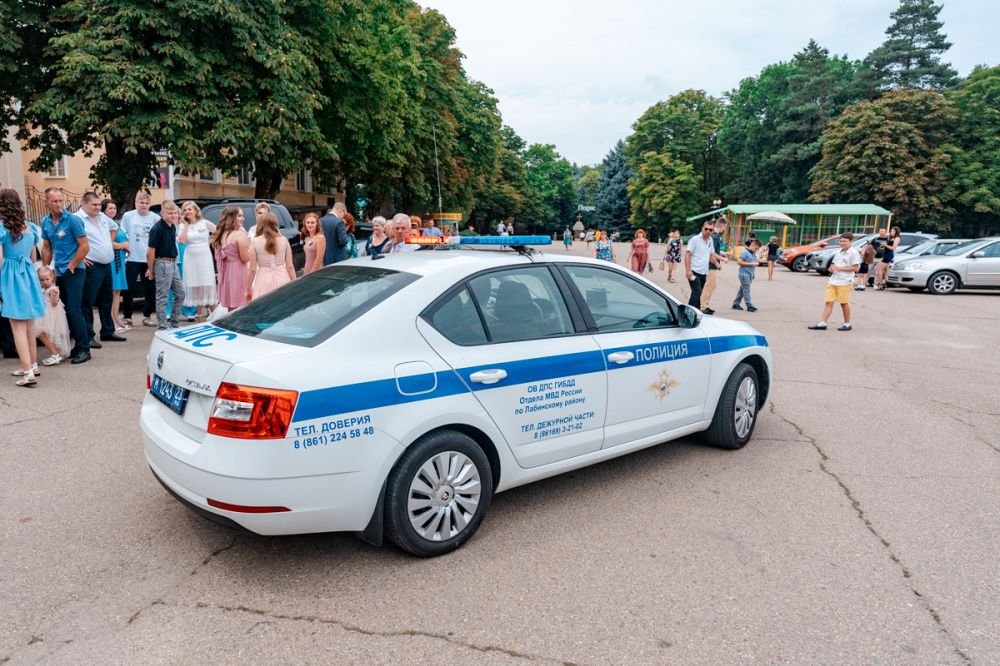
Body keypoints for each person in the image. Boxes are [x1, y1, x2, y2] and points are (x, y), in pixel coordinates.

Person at [0, 189, 47, 385]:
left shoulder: (2, 228)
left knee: (17, 326)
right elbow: (33, 257)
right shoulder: (31, 227)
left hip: (11, 276)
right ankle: (32, 365)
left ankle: (28, 372)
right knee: (28, 325)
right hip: (28, 274)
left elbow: (0, 260)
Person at [40, 187, 91, 364]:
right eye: (54, 201)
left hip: (75, 270)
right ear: (46, 202)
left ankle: (84, 349)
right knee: (64, 310)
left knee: (74, 309)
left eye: (61, 200)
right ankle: (76, 346)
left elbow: (84, 246)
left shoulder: (73, 220)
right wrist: (45, 268)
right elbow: (47, 247)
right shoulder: (45, 222)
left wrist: (73, 264)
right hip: (59, 271)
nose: (59, 204)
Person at [77, 192, 125, 346]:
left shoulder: (102, 217)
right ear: (84, 203)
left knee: (106, 299)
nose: (98, 207)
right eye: (94, 205)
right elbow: (70, 240)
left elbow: (115, 227)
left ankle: (107, 331)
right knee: (87, 301)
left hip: (106, 264)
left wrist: (107, 242)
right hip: (92, 265)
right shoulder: (77, 219)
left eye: (99, 204)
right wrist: (80, 257)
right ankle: (88, 336)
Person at [808, 233, 861, 332]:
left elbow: (856, 268)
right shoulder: (839, 252)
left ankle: (847, 324)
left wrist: (840, 268)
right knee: (828, 302)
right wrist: (831, 268)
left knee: (843, 303)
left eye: (845, 241)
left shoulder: (853, 253)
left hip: (845, 281)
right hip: (833, 280)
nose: (842, 243)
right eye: (841, 241)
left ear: (851, 242)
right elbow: (833, 264)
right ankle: (823, 323)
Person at [121, 192, 159, 327]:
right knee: (128, 287)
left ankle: (147, 316)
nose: (144, 205)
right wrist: (125, 245)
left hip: (148, 258)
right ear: (136, 203)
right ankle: (127, 316)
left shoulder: (155, 218)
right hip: (132, 257)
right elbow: (123, 234)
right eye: (141, 203)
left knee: (150, 288)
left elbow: (158, 239)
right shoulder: (128, 216)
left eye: (146, 203)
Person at [145, 200, 185, 330]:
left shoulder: (172, 226)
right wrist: (151, 269)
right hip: (162, 263)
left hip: (173, 263)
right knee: (162, 296)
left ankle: (174, 322)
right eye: (170, 213)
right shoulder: (157, 229)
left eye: (175, 213)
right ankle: (162, 326)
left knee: (181, 293)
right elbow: (150, 252)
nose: (174, 215)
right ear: (162, 213)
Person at [178, 201, 217, 319]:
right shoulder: (182, 226)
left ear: (196, 211)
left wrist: (210, 241)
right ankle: (199, 316)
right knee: (195, 285)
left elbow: (218, 231)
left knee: (207, 284)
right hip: (191, 258)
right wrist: (185, 225)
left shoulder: (204, 223)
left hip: (205, 257)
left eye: (189, 209)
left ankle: (214, 315)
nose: (187, 212)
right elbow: (182, 241)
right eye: (185, 210)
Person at [247, 211, 294, 300]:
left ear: (260, 224)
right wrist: (294, 282)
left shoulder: (254, 242)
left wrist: (247, 288)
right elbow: (290, 266)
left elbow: (252, 269)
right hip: (282, 277)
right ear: (275, 224)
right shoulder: (284, 240)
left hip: (263, 279)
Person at [212, 205, 251, 311]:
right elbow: (245, 258)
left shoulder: (220, 234)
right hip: (239, 272)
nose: (243, 218)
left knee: (231, 306)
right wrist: (253, 251)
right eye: (239, 216)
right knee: (243, 305)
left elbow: (217, 257)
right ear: (231, 217)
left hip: (226, 273)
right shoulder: (239, 235)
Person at [34, 265, 70, 365]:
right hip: (46, 314)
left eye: (47, 279)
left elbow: (54, 303)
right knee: (44, 333)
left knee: (41, 332)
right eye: (42, 280)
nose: (45, 282)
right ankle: (54, 353)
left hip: (50, 315)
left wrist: (54, 297)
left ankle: (55, 354)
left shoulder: (52, 289)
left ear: (52, 278)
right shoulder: (45, 289)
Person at [103, 199, 130, 332]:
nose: (113, 210)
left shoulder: (116, 223)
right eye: (110, 208)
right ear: (104, 210)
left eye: (114, 208)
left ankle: (116, 319)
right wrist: (122, 246)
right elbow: (105, 242)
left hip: (120, 261)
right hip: (112, 260)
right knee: (112, 292)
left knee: (117, 292)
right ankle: (111, 321)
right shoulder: (103, 224)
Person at [685, 222, 715, 310]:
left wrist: (717, 263)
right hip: (694, 271)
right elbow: (687, 254)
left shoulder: (710, 240)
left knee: (699, 294)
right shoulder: (695, 239)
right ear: (702, 228)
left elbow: (711, 254)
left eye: (710, 230)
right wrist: (688, 270)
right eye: (706, 229)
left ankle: (696, 312)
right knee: (697, 292)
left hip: (703, 272)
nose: (708, 231)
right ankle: (687, 313)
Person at [700, 217, 727, 315]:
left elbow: (713, 250)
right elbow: (712, 252)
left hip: (710, 264)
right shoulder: (715, 237)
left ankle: (705, 305)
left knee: (712, 285)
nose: (725, 229)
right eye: (725, 227)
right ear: (722, 226)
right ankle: (703, 306)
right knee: (709, 285)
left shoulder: (714, 236)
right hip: (710, 264)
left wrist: (722, 253)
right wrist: (721, 260)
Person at [732, 238, 761, 312]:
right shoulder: (745, 252)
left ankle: (736, 304)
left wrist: (753, 272)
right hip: (744, 274)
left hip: (749, 274)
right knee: (746, 290)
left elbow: (753, 263)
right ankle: (749, 305)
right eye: (756, 248)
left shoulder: (752, 253)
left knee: (742, 290)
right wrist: (751, 264)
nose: (756, 250)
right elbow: (739, 262)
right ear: (752, 245)